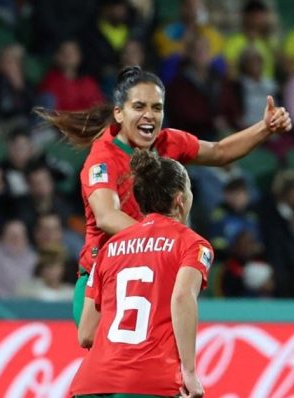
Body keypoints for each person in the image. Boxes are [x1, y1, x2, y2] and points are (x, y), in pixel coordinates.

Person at [41, 65, 291, 327]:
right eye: (139, 107)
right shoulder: (102, 159)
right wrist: (164, 241)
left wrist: (265, 128)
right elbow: (107, 217)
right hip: (103, 281)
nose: (149, 115)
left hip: (151, 278)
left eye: (157, 107)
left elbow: (220, 152)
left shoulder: (167, 142)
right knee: (104, 350)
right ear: (119, 113)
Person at [70, 150, 210, 398]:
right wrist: (189, 372)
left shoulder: (109, 247)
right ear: (180, 199)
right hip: (149, 382)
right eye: (189, 190)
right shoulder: (192, 244)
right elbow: (182, 298)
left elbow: (86, 334)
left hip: (92, 382)